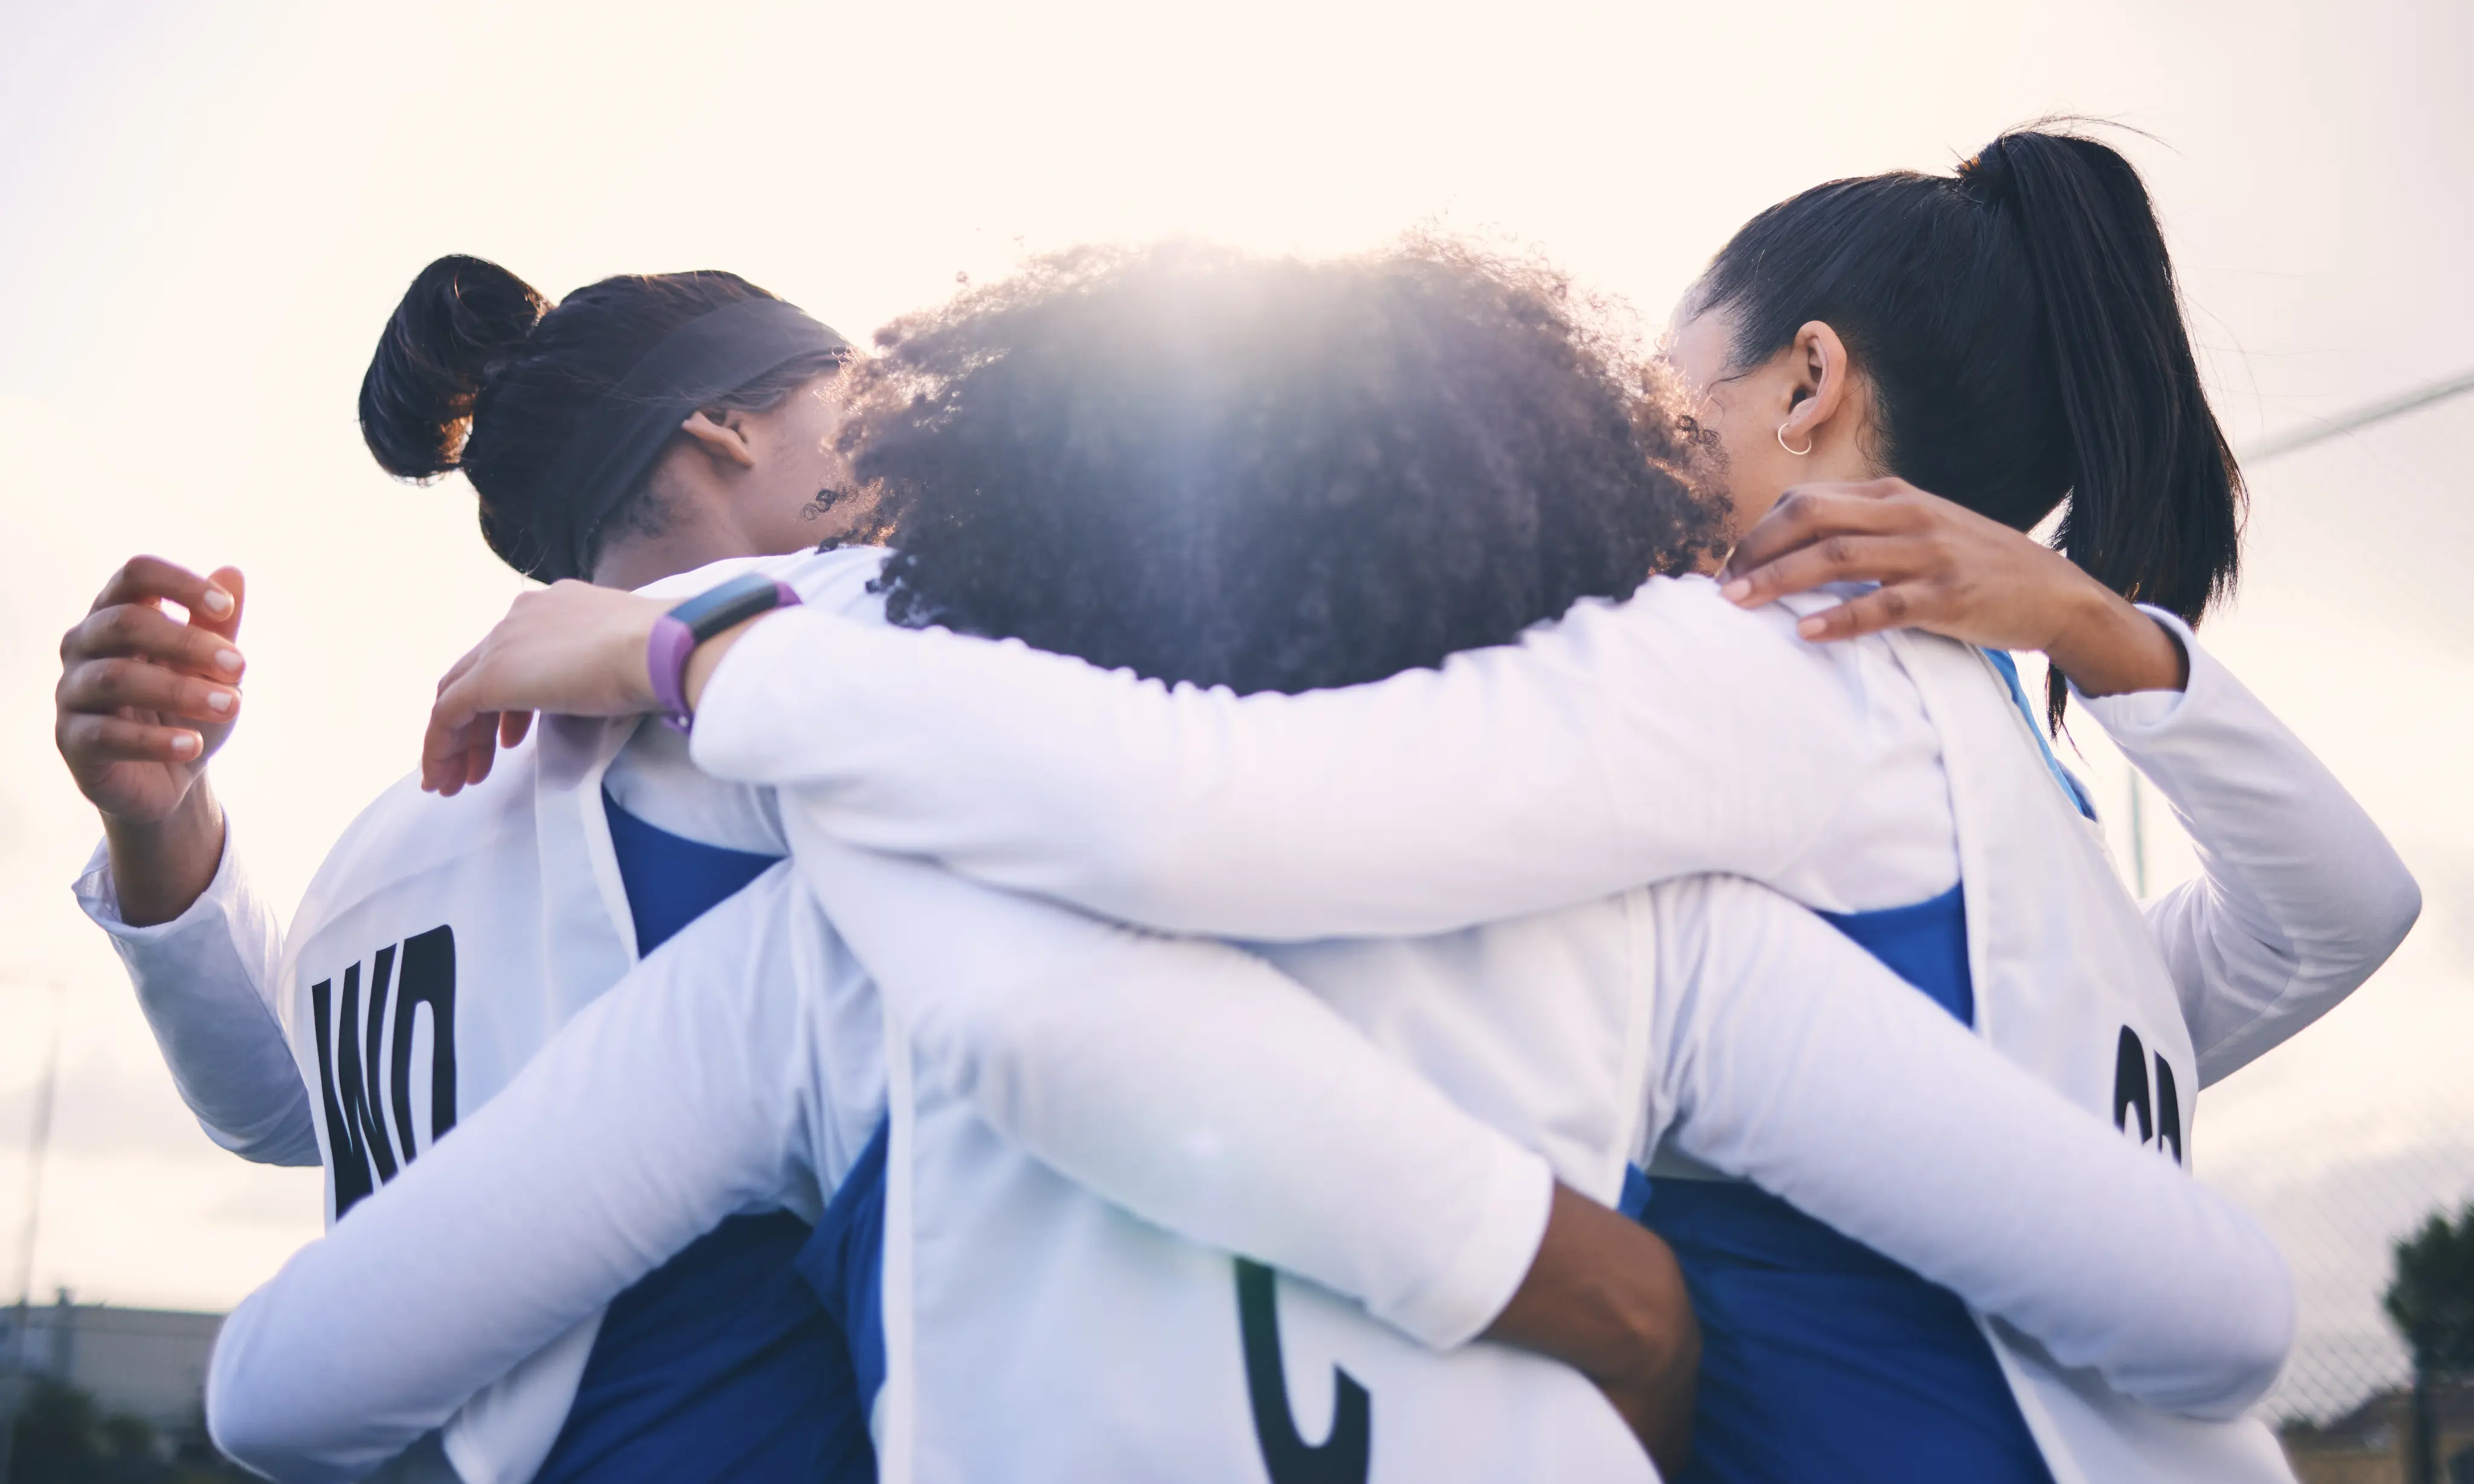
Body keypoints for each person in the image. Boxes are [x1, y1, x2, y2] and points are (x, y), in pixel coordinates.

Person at [410, 131, 2417, 1482]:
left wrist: (690, 647)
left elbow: (1200, 820)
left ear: (1807, 382)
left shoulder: (1748, 666)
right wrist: (2114, 639)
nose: (1639, 432)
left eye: (1675, 384)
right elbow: (2342, 912)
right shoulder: (2020, 760)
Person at [59, 254, 1701, 1482]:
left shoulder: (389, 837)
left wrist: (160, 823)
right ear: (722, 421)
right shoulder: (851, 677)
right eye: (856, 391)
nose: (912, 441)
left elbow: (290, 1121)